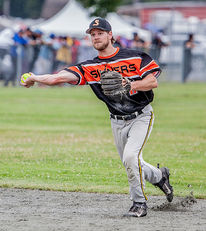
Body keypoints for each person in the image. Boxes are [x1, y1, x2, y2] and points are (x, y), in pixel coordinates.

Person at [21, 17, 173, 218]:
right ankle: (160, 177)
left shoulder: (135, 57)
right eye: (92, 34)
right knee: (132, 162)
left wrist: (131, 85)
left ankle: (139, 204)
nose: (96, 37)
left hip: (141, 116)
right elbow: (57, 77)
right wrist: (34, 77)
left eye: (100, 33)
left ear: (111, 35)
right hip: (116, 120)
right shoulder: (90, 67)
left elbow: (152, 81)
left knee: (130, 158)